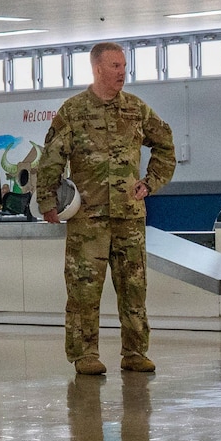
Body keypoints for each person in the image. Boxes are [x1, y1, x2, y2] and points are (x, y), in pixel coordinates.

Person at [31, 42, 175, 375]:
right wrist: (47, 202)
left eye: (124, 66)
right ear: (98, 69)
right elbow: (52, 158)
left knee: (134, 288)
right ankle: (85, 354)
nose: (122, 72)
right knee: (83, 289)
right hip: (88, 219)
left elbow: (165, 145)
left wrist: (151, 182)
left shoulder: (136, 109)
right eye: (115, 66)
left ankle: (135, 352)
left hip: (129, 216)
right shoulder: (73, 110)